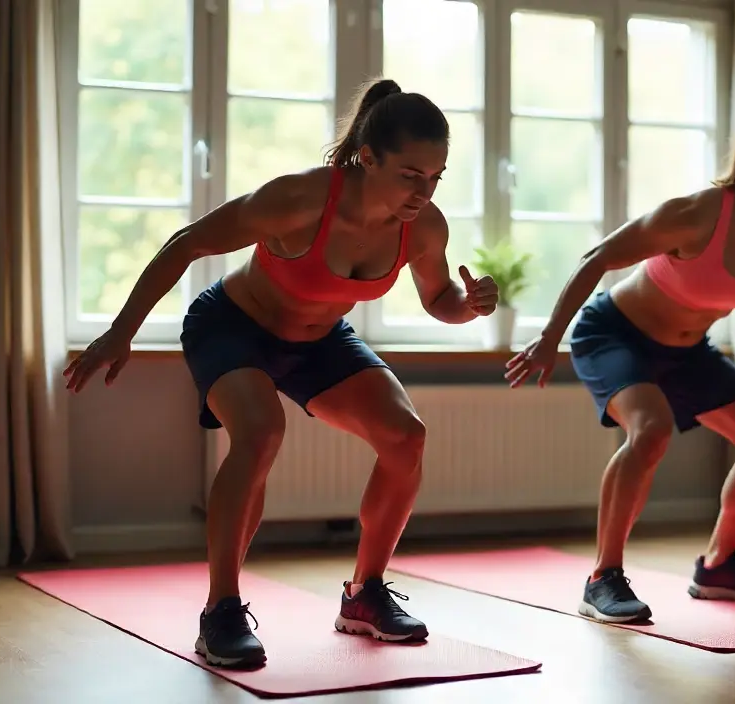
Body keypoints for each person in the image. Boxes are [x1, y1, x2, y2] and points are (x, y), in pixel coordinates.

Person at [62, 78, 500, 668]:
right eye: (409, 175)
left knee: (406, 436)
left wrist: (468, 306)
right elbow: (186, 243)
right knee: (261, 433)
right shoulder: (299, 199)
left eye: (436, 177)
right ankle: (221, 610)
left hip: (320, 340)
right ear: (368, 158)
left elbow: (438, 297)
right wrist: (122, 331)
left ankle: (364, 594)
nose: (423, 191)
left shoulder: (423, 227)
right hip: (233, 326)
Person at [504, 100, 735, 624]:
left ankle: (718, 567)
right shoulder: (698, 215)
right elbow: (597, 258)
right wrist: (550, 337)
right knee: (651, 430)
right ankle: (603, 579)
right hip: (615, 334)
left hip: (687, 352)